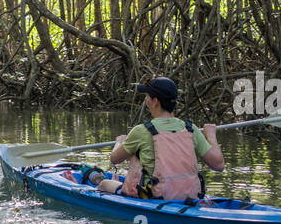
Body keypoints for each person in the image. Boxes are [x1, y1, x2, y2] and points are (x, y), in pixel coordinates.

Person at [78, 76, 223, 200]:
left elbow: (114, 159)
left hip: (150, 195)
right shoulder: (191, 129)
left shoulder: (141, 131)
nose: (146, 100)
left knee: (104, 184)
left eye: (147, 96)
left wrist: (119, 142)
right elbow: (218, 165)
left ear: (155, 102)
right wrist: (211, 136)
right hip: (189, 196)